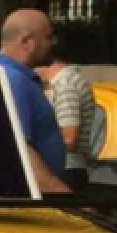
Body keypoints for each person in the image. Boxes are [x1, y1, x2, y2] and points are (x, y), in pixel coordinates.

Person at [0, 9, 69, 194]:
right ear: (27, 42)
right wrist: (65, 198)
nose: (53, 43)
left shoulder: (6, 76)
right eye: (48, 37)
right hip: (34, 199)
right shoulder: (12, 81)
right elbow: (19, 151)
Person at [39, 55, 98, 190]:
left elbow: (69, 138)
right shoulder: (68, 82)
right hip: (69, 168)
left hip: (66, 168)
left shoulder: (65, 85)